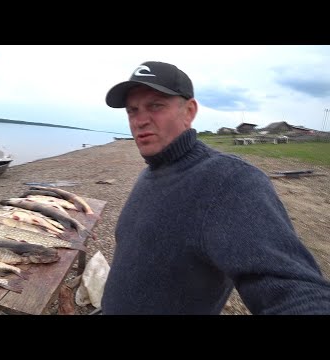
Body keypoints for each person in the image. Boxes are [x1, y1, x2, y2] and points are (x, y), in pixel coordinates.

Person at [100, 61, 330, 315]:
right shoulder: (151, 172)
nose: (140, 120)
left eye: (156, 105)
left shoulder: (228, 181)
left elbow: (294, 291)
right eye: (132, 110)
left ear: (189, 111)